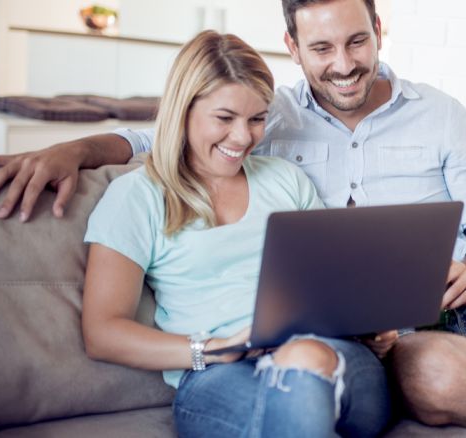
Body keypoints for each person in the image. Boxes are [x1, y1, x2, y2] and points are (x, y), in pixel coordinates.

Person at [0, 0, 466, 436]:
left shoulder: (430, 117)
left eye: (357, 40)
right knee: (401, 379)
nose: (343, 62)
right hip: (337, 344)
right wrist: (74, 146)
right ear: (294, 47)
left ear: (379, 31)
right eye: (322, 46)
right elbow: (165, 139)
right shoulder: (263, 127)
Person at [80, 30, 392, 438]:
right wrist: (211, 349)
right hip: (216, 376)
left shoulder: (286, 180)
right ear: (183, 110)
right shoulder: (136, 197)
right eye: (225, 118)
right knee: (301, 374)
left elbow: (334, 284)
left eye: (257, 119)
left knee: (307, 355)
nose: (243, 137)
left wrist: (365, 324)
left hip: (334, 357)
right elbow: (102, 332)